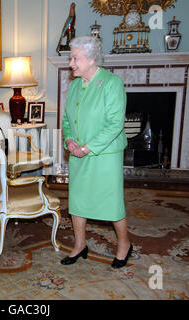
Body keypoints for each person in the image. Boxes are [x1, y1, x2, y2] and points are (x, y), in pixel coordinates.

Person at [61, 35, 132, 269]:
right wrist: (69, 140)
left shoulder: (111, 83)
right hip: (78, 153)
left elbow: (115, 124)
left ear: (91, 59)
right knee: (77, 201)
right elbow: (67, 119)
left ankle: (124, 245)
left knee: (111, 203)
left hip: (105, 155)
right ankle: (80, 245)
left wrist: (87, 148)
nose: (71, 63)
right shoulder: (73, 86)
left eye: (75, 58)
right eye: (71, 57)